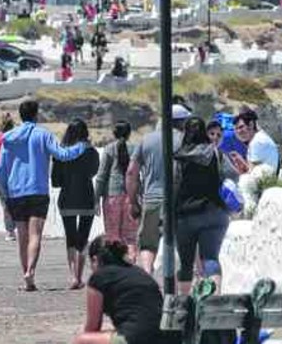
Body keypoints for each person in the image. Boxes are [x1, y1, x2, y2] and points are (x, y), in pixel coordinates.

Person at [0, 100, 89, 291]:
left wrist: (5, 192)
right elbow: (62, 154)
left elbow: (0, 172)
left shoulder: (8, 138)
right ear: (36, 114)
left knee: (22, 236)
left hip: (15, 193)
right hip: (38, 191)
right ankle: (31, 270)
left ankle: (26, 277)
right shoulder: (43, 134)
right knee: (35, 235)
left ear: (20, 115)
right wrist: (81, 147)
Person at [172, 118, 238, 293]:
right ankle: (214, 300)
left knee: (186, 263)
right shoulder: (216, 154)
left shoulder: (178, 157)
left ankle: (184, 304)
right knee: (211, 258)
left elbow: (173, 186)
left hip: (186, 215)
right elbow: (234, 175)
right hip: (215, 212)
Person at [125, 104, 190, 275]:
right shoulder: (187, 140)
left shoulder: (147, 140)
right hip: (179, 200)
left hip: (152, 198)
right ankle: (176, 284)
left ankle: (147, 274)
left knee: (148, 243)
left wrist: (132, 201)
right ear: (183, 122)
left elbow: (131, 172)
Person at [72, 237, 173, 344]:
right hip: (164, 337)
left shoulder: (98, 278)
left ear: (95, 260)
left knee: (82, 340)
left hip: (136, 338)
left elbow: (92, 328)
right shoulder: (138, 271)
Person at [52, 119, 100, 290]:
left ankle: (73, 276)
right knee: (83, 239)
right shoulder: (92, 152)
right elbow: (94, 172)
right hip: (86, 197)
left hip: (66, 198)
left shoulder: (61, 153)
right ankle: (80, 276)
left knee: (70, 239)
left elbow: (55, 181)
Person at [96, 122, 138, 254]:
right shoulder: (135, 149)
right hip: (130, 196)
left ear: (114, 133)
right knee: (130, 236)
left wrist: (96, 198)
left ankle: (114, 265)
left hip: (111, 196)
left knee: (112, 234)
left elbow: (101, 176)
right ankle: (130, 263)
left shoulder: (109, 149)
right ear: (129, 134)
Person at [0, 114, 17, 241]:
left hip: (1, 176)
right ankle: (16, 228)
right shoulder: (16, 140)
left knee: (5, 204)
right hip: (15, 174)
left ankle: (10, 231)